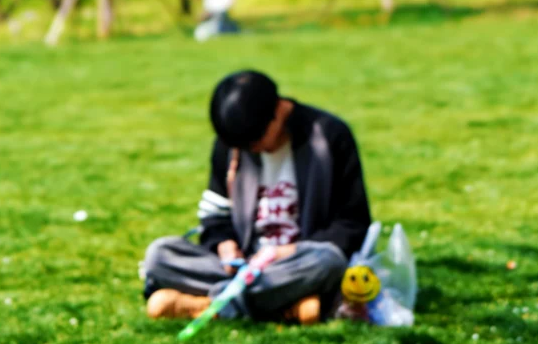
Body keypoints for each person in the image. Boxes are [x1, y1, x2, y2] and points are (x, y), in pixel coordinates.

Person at [143, 69, 370, 324]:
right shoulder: (232, 145)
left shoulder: (329, 136)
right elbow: (215, 216)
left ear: (278, 111)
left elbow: (353, 224)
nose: (253, 150)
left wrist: (287, 252)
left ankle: (212, 304)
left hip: (296, 262)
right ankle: (284, 306)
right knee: (158, 255)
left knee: (328, 261)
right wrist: (226, 245)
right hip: (245, 265)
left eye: (255, 141)